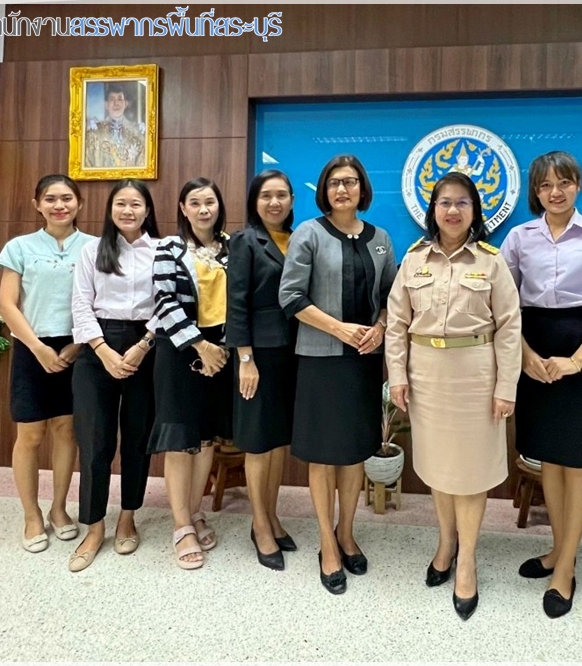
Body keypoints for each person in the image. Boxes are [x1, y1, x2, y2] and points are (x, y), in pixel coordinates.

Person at [385, 172, 522, 621]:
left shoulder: (490, 260)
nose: (453, 211)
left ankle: (467, 560)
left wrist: (506, 387)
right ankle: (445, 543)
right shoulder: (414, 258)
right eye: (444, 202)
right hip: (426, 375)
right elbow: (396, 324)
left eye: (462, 203)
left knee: (473, 472)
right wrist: (398, 377)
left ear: (475, 212)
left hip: (476, 377)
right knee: (440, 471)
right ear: (433, 210)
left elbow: (509, 327)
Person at [499, 151, 582, 618]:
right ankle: (556, 549)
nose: (556, 192)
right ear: (535, 192)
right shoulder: (519, 237)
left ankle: (566, 567)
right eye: (546, 185)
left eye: (565, 183)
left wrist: (575, 361)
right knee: (548, 458)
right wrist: (527, 358)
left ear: (578, 186)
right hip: (532, 348)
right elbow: (505, 305)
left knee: (577, 462)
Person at [278, 155, 396, 595]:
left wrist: (380, 327)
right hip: (321, 358)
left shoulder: (381, 239)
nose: (342, 189)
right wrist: (340, 329)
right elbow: (290, 296)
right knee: (323, 455)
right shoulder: (309, 233)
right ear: (324, 190)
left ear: (362, 188)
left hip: (364, 359)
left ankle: (347, 532)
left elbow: (391, 295)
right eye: (333, 182)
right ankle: (327, 543)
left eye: (350, 182)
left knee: (354, 452)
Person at [0, 174, 95, 553]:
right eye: (51, 198)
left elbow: (98, 300)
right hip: (30, 345)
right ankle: (31, 515)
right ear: (37, 204)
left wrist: (75, 345)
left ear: (79, 203)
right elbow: (7, 303)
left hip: (79, 347)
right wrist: (37, 347)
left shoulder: (92, 246)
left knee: (66, 430)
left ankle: (58, 509)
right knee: (30, 435)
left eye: (67, 198)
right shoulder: (19, 247)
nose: (60, 205)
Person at [67, 180, 160, 572]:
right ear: (110, 209)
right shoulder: (92, 250)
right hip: (96, 348)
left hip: (147, 347)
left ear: (147, 209)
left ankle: (128, 516)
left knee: (137, 439)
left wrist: (142, 345)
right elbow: (81, 304)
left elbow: (171, 302)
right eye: (120, 203)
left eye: (135, 203)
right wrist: (103, 350)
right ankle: (93, 526)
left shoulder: (162, 250)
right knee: (94, 440)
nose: (128, 210)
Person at [148, 177, 233, 570]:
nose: (203, 209)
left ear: (219, 206)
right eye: (195, 202)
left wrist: (224, 347)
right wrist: (200, 345)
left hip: (223, 351)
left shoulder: (232, 247)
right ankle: (181, 524)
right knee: (181, 438)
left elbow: (242, 299)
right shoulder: (169, 247)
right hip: (183, 351)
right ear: (183, 208)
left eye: (209, 202)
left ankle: (196, 510)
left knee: (207, 438)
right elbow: (164, 301)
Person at [226, 170, 300, 571]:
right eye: (266, 196)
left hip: (293, 352)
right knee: (256, 442)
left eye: (282, 195)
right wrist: (245, 358)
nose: (275, 202)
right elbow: (235, 303)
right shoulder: (245, 241)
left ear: (292, 199)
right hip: (257, 355)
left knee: (276, 442)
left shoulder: (299, 238)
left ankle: (272, 515)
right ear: (255, 201)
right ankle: (259, 525)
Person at [84, 83, 146, 169]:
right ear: (106, 105)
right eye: (112, 99)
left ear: (126, 104)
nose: (116, 103)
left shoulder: (137, 132)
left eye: (120, 99)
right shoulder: (94, 133)